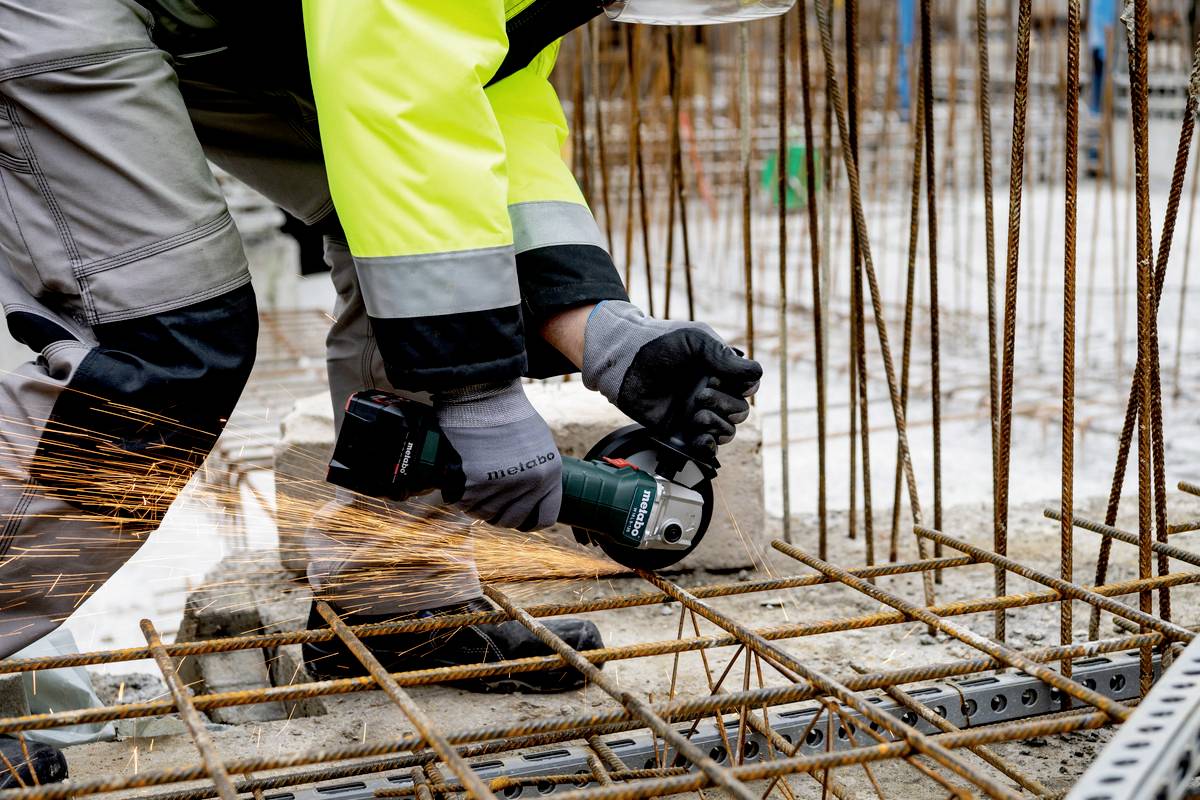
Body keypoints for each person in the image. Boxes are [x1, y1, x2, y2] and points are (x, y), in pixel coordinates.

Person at [0, 0, 762, 785]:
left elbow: (486, 108)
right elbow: (400, 88)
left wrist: (601, 326)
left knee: (402, 252)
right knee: (165, 352)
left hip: (224, 23)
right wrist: (475, 392)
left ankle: (399, 604)